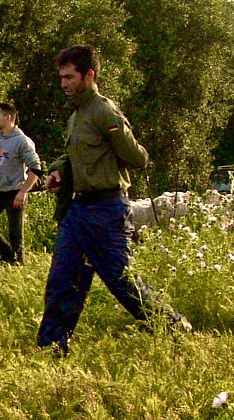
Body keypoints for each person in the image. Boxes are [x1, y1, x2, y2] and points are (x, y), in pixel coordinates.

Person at [37, 45, 192, 353]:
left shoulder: (104, 111)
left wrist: (119, 144)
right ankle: (52, 346)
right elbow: (76, 156)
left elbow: (137, 158)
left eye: (69, 77)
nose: (63, 84)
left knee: (123, 283)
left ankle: (174, 328)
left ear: (88, 75)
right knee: (62, 281)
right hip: (77, 210)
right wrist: (58, 172)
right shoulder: (77, 115)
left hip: (107, 210)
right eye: (61, 78)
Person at [0, 102, 42, 264]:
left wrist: (23, 192)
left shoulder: (22, 141)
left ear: (8, 117)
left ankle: (19, 265)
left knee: (16, 235)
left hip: (16, 191)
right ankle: (8, 255)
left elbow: (36, 169)